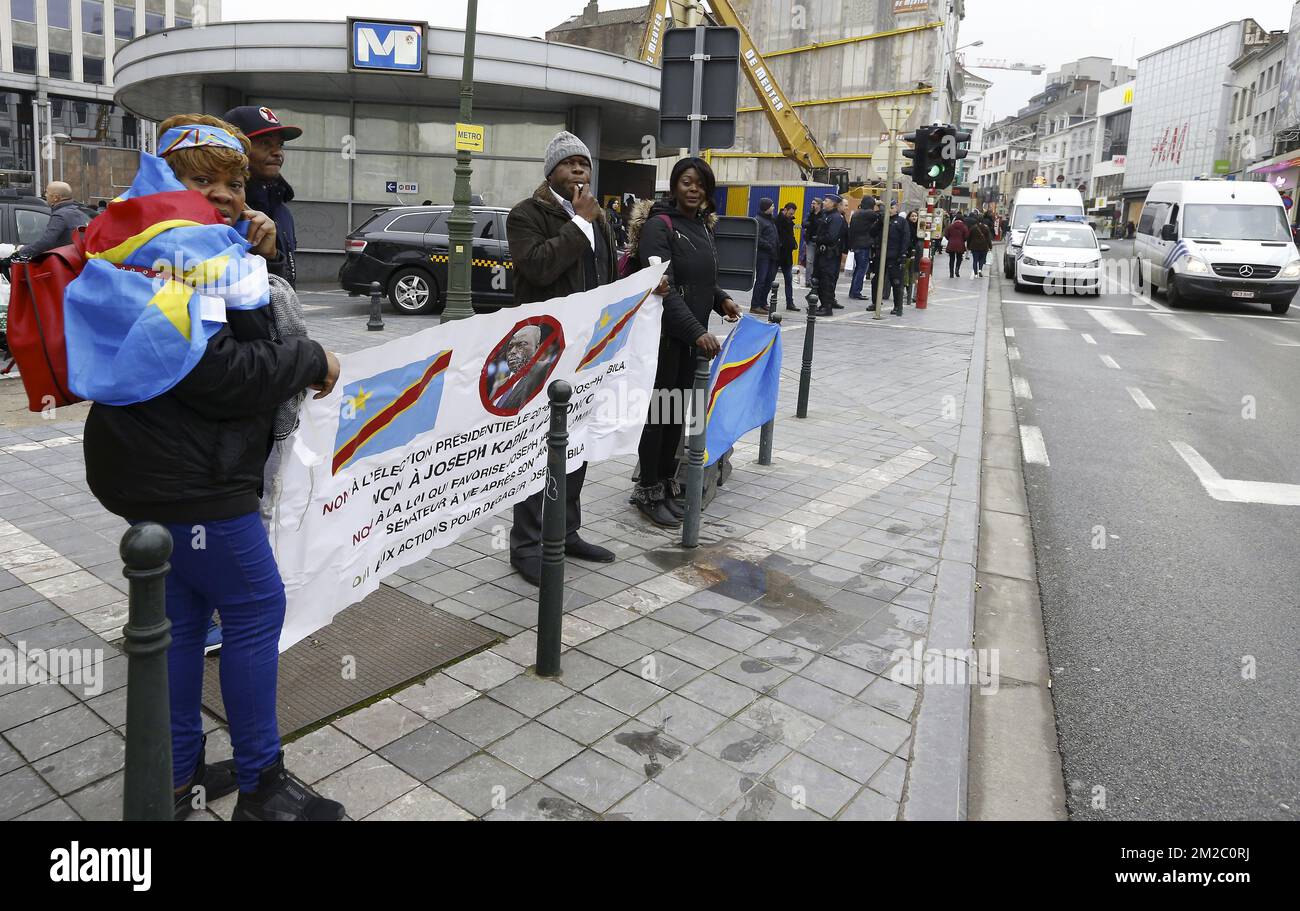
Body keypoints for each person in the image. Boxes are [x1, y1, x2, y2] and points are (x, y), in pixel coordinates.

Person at [78, 113, 344, 821]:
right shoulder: (176, 251)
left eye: (232, 180)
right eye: (202, 179)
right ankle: (262, 786)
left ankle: (174, 774)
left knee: (185, 617)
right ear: (167, 178)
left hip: (152, 467)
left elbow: (234, 326)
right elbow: (218, 372)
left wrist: (250, 254)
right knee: (257, 606)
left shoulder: (161, 239)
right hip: (193, 476)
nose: (224, 193)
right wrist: (312, 359)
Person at [504, 131, 618, 584]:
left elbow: (607, 274)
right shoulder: (526, 214)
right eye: (569, 163)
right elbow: (537, 266)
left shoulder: (599, 217)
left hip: (586, 348)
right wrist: (580, 225)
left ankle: (566, 531)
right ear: (550, 171)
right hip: (543, 351)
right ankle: (527, 545)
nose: (579, 171)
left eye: (584, 164)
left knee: (578, 442)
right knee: (538, 446)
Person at [628, 157, 741, 526]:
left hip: (690, 340)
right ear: (674, 185)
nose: (694, 190)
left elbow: (700, 278)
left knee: (676, 416)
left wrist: (720, 298)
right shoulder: (659, 227)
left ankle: (664, 483)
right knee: (659, 416)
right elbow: (664, 288)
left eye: (701, 184)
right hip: (664, 338)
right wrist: (697, 331)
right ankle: (646, 490)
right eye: (687, 182)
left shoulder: (701, 227)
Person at [224, 106, 303, 287]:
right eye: (265, 144)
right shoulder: (225, 208)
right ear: (236, 150)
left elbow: (285, 279)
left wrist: (273, 257)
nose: (278, 153)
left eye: (280, 145)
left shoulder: (282, 211)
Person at [16, 181, 90, 257]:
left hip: (64, 263)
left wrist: (21, 251)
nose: (45, 195)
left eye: (47, 192)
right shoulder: (82, 214)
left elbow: (46, 242)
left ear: (56, 197)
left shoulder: (60, 215)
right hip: (79, 262)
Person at [812, 193, 848, 314]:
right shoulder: (827, 215)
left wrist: (818, 238)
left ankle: (826, 307)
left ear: (833, 203)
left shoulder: (836, 217)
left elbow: (831, 236)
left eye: (826, 201)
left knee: (827, 281)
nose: (824, 202)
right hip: (823, 253)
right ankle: (823, 305)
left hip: (829, 255)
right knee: (821, 280)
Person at [872, 202, 910, 317]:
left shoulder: (901, 222)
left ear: (897, 209)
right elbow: (872, 232)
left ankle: (897, 306)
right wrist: (879, 221)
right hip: (880, 254)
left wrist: (902, 254)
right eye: (888, 208)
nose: (889, 210)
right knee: (876, 280)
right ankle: (875, 303)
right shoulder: (883, 220)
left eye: (892, 208)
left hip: (894, 256)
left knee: (896, 282)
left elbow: (905, 238)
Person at [750, 197, 779, 314]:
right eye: (772, 205)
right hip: (763, 255)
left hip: (772, 255)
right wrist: (769, 245)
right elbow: (757, 237)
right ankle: (755, 305)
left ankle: (763, 302)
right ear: (766, 207)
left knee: (769, 280)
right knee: (761, 280)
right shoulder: (758, 220)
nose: (773, 207)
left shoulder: (770, 219)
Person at [847, 197, 880, 301]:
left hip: (856, 244)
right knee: (862, 269)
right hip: (863, 244)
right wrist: (881, 205)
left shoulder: (857, 213)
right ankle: (856, 291)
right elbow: (881, 215)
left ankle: (853, 291)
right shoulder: (868, 213)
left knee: (858, 268)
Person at [775, 201, 799, 311]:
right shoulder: (777, 221)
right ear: (784, 210)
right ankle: (762, 302)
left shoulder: (789, 221)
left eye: (792, 214)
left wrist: (794, 243)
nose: (791, 215)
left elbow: (790, 235)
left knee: (788, 279)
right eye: (790, 213)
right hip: (777, 254)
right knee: (769, 278)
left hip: (787, 255)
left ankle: (790, 303)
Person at [902, 210, 922, 306]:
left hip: (916, 254)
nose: (914, 218)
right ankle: (908, 292)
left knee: (914, 274)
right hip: (908, 253)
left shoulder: (919, 229)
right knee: (906, 274)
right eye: (912, 216)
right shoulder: (906, 226)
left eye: (916, 216)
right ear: (909, 217)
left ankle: (911, 294)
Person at [802, 197, 822, 283]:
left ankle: (816, 279)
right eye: (811, 203)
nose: (812, 205)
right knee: (809, 261)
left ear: (819, 205)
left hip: (820, 241)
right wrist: (810, 222)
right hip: (810, 240)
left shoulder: (823, 214)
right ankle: (808, 280)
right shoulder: (809, 214)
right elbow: (804, 223)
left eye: (814, 203)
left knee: (818, 261)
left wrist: (812, 223)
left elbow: (820, 224)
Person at [945, 213, 969, 278]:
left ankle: (951, 273)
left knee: (951, 259)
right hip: (960, 244)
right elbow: (966, 236)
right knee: (959, 258)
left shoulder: (951, 226)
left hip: (951, 244)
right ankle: (957, 269)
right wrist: (962, 240)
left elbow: (946, 234)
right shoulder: (964, 226)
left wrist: (950, 239)